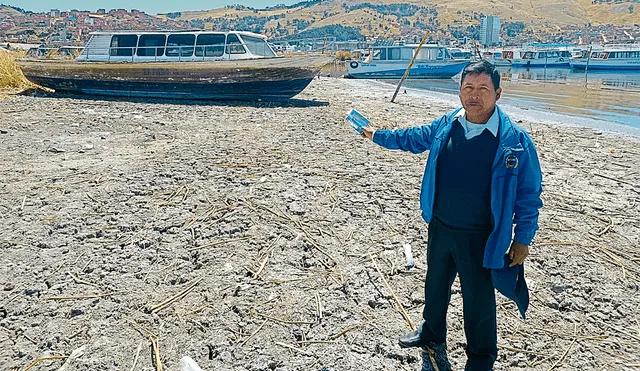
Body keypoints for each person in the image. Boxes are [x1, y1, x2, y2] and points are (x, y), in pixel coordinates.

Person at [360, 60, 543, 371]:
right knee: (435, 284)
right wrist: (377, 135)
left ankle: (481, 359)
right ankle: (431, 333)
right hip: (441, 226)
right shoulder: (447, 124)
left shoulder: (514, 141)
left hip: (483, 236)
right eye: (468, 88)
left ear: (497, 94)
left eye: (482, 89)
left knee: (478, 301)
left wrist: (523, 237)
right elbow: (412, 138)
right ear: (459, 91)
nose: (474, 95)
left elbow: (529, 194)